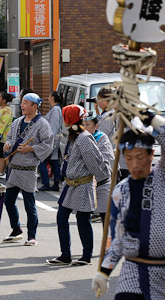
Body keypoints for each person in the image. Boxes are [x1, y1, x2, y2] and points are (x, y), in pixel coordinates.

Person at [92, 112, 165, 299]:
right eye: (128, 158)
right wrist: (104, 271)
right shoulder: (120, 191)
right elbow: (117, 237)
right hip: (133, 269)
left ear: (151, 154)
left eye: (140, 157)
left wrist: (146, 114)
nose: (134, 164)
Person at [46, 105, 104, 266]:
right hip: (70, 184)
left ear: (69, 119)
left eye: (65, 117)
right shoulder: (75, 135)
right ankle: (65, 255)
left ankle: (86, 256)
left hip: (83, 183)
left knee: (83, 219)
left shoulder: (84, 137)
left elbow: (93, 162)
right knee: (62, 217)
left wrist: (100, 179)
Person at [2, 93, 53, 246]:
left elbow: (48, 145)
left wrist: (31, 148)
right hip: (14, 167)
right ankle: (16, 229)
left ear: (34, 106)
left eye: (25, 103)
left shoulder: (42, 124)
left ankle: (32, 235)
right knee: (8, 201)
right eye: (22, 103)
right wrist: (8, 144)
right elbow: (10, 137)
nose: (22, 106)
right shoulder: (17, 121)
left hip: (28, 169)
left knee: (29, 205)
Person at [82, 110, 114, 225]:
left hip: (101, 182)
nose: (85, 128)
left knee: (106, 219)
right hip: (84, 184)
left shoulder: (101, 137)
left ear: (96, 125)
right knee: (83, 219)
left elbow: (107, 159)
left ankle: (109, 243)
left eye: (88, 125)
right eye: (83, 124)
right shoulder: (81, 137)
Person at [39, 91, 63, 191]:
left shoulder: (56, 109)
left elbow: (54, 126)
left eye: (49, 96)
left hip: (53, 139)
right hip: (54, 139)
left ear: (52, 98)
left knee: (42, 159)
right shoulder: (55, 109)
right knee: (54, 161)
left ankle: (46, 183)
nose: (48, 98)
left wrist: (49, 140)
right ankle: (56, 183)